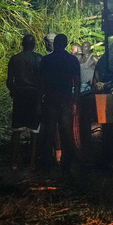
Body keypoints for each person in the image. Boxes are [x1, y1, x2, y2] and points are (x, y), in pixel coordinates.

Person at [39, 33, 81, 174]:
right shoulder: (72, 60)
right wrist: (75, 100)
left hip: (50, 99)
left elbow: (42, 82)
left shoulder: (46, 60)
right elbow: (77, 81)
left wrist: (41, 99)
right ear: (65, 44)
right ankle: (66, 165)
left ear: (55, 44)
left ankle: (46, 165)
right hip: (66, 99)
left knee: (48, 133)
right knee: (66, 133)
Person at [7, 34, 43, 170]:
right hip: (34, 96)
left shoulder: (15, 59)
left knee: (16, 131)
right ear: (34, 45)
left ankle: (14, 163)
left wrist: (14, 91)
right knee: (34, 131)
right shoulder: (39, 59)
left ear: (22, 44)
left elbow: (10, 81)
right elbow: (41, 81)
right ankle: (32, 164)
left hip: (20, 96)